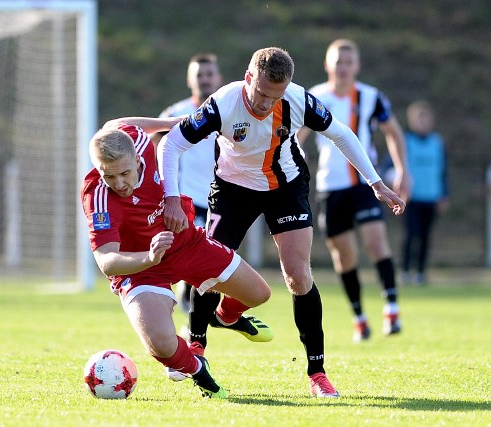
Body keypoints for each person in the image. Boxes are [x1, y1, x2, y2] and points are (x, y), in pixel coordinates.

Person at [158, 47, 405, 398]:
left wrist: (376, 182)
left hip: (285, 187)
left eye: (274, 97)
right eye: (260, 94)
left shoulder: (296, 99)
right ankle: (197, 346)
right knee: (211, 265)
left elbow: (342, 134)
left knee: (298, 274)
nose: (264, 104)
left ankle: (317, 373)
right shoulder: (222, 103)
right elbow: (170, 145)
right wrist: (171, 196)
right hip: (233, 189)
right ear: (248, 77)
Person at [80, 116, 273, 399]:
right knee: (160, 344)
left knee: (259, 294)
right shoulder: (97, 195)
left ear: (136, 156)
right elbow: (106, 260)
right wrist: (149, 257)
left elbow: (119, 122)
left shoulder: (139, 140)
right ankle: (198, 370)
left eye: (124, 173)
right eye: (108, 175)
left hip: (185, 243)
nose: (119, 183)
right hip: (141, 269)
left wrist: (176, 122)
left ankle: (225, 318)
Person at [297, 39, 410, 343]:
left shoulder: (372, 97)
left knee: (376, 242)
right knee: (344, 257)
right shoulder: (316, 97)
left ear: (356, 66)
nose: (343, 67)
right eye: (338, 61)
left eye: (349, 61)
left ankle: (392, 308)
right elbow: (297, 136)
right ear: (327, 65)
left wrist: (402, 170)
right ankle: (359, 317)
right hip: (330, 188)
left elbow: (393, 133)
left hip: (366, 184)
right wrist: (298, 155)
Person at [154, 53, 223, 314]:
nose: (204, 80)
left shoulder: (229, 110)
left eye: (209, 74)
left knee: (212, 261)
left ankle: (193, 302)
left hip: (222, 200)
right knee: (194, 255)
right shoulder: (174, 113)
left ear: (218, 78)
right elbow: (155, 149)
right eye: (199, 75)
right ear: (189, 80)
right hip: (186, 201)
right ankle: (188, 307)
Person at [400, 100, 449, 286]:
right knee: (411, 235)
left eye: (425, 119)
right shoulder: (405, 141)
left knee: (425, 237)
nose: (422, 123)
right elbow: (392, 166)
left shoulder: (437, 143)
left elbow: (443, 171)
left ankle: (420, 272)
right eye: (418, 119)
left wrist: (444, 194)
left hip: (431, 196)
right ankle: (405, 271)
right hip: (411, 197)